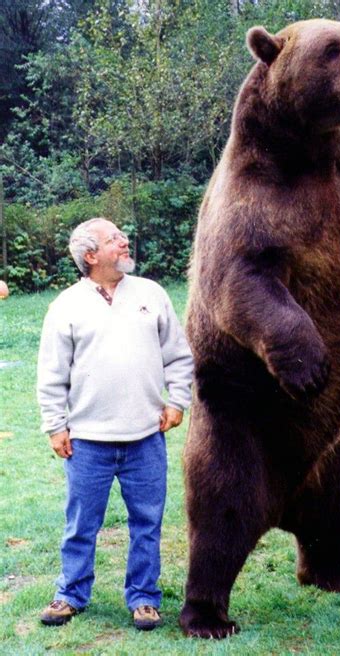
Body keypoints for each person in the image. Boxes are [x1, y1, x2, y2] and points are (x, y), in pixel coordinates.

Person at [37, 217, 193, 631]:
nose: (125, 242)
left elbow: (178, 356)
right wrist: (56, 426)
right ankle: (71, 593)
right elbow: (52, 375)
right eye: (114, 239)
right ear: (91, 255)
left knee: (147, 523)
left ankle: (143, 598)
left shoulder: (151, 294)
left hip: (146, 437)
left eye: (123, 236)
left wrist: (177, 400)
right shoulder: (65, 306)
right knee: (80, 525)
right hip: (87, 442)